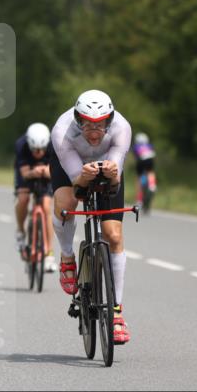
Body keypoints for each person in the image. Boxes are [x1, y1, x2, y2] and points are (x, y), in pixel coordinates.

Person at [50, 90, 133, 344]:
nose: (94, 131)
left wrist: (112, 172)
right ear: (77, 120)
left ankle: (117, 312)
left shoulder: (122, 128)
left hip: (108, 166)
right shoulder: (62, 132)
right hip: (72, 168)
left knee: (113, 235)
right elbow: (77, 186)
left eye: (100, 124)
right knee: (66, 203)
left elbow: (115, 180)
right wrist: (84, 176)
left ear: (109, 121)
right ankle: (66, 256)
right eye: (87, 124)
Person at [14, 123, 57, 272]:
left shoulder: (53, 145)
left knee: (46, 206)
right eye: (35, 150)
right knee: (23, 198)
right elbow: (25, 173)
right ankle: (20, 231)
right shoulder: (21, 145)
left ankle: (49, 253)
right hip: (27, 172)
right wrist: (33, 173)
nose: (38, 153)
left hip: (46, 171)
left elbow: (56, 172)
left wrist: (46, 172)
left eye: (41, 150)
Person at [132, 132, 157, 212]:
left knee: (139, 178)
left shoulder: (136, 146)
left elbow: (136, 157)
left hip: (141, 160)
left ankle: (139, 199)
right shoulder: (150, 145)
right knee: (150, 172)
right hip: (150, 159)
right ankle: (152, 185)